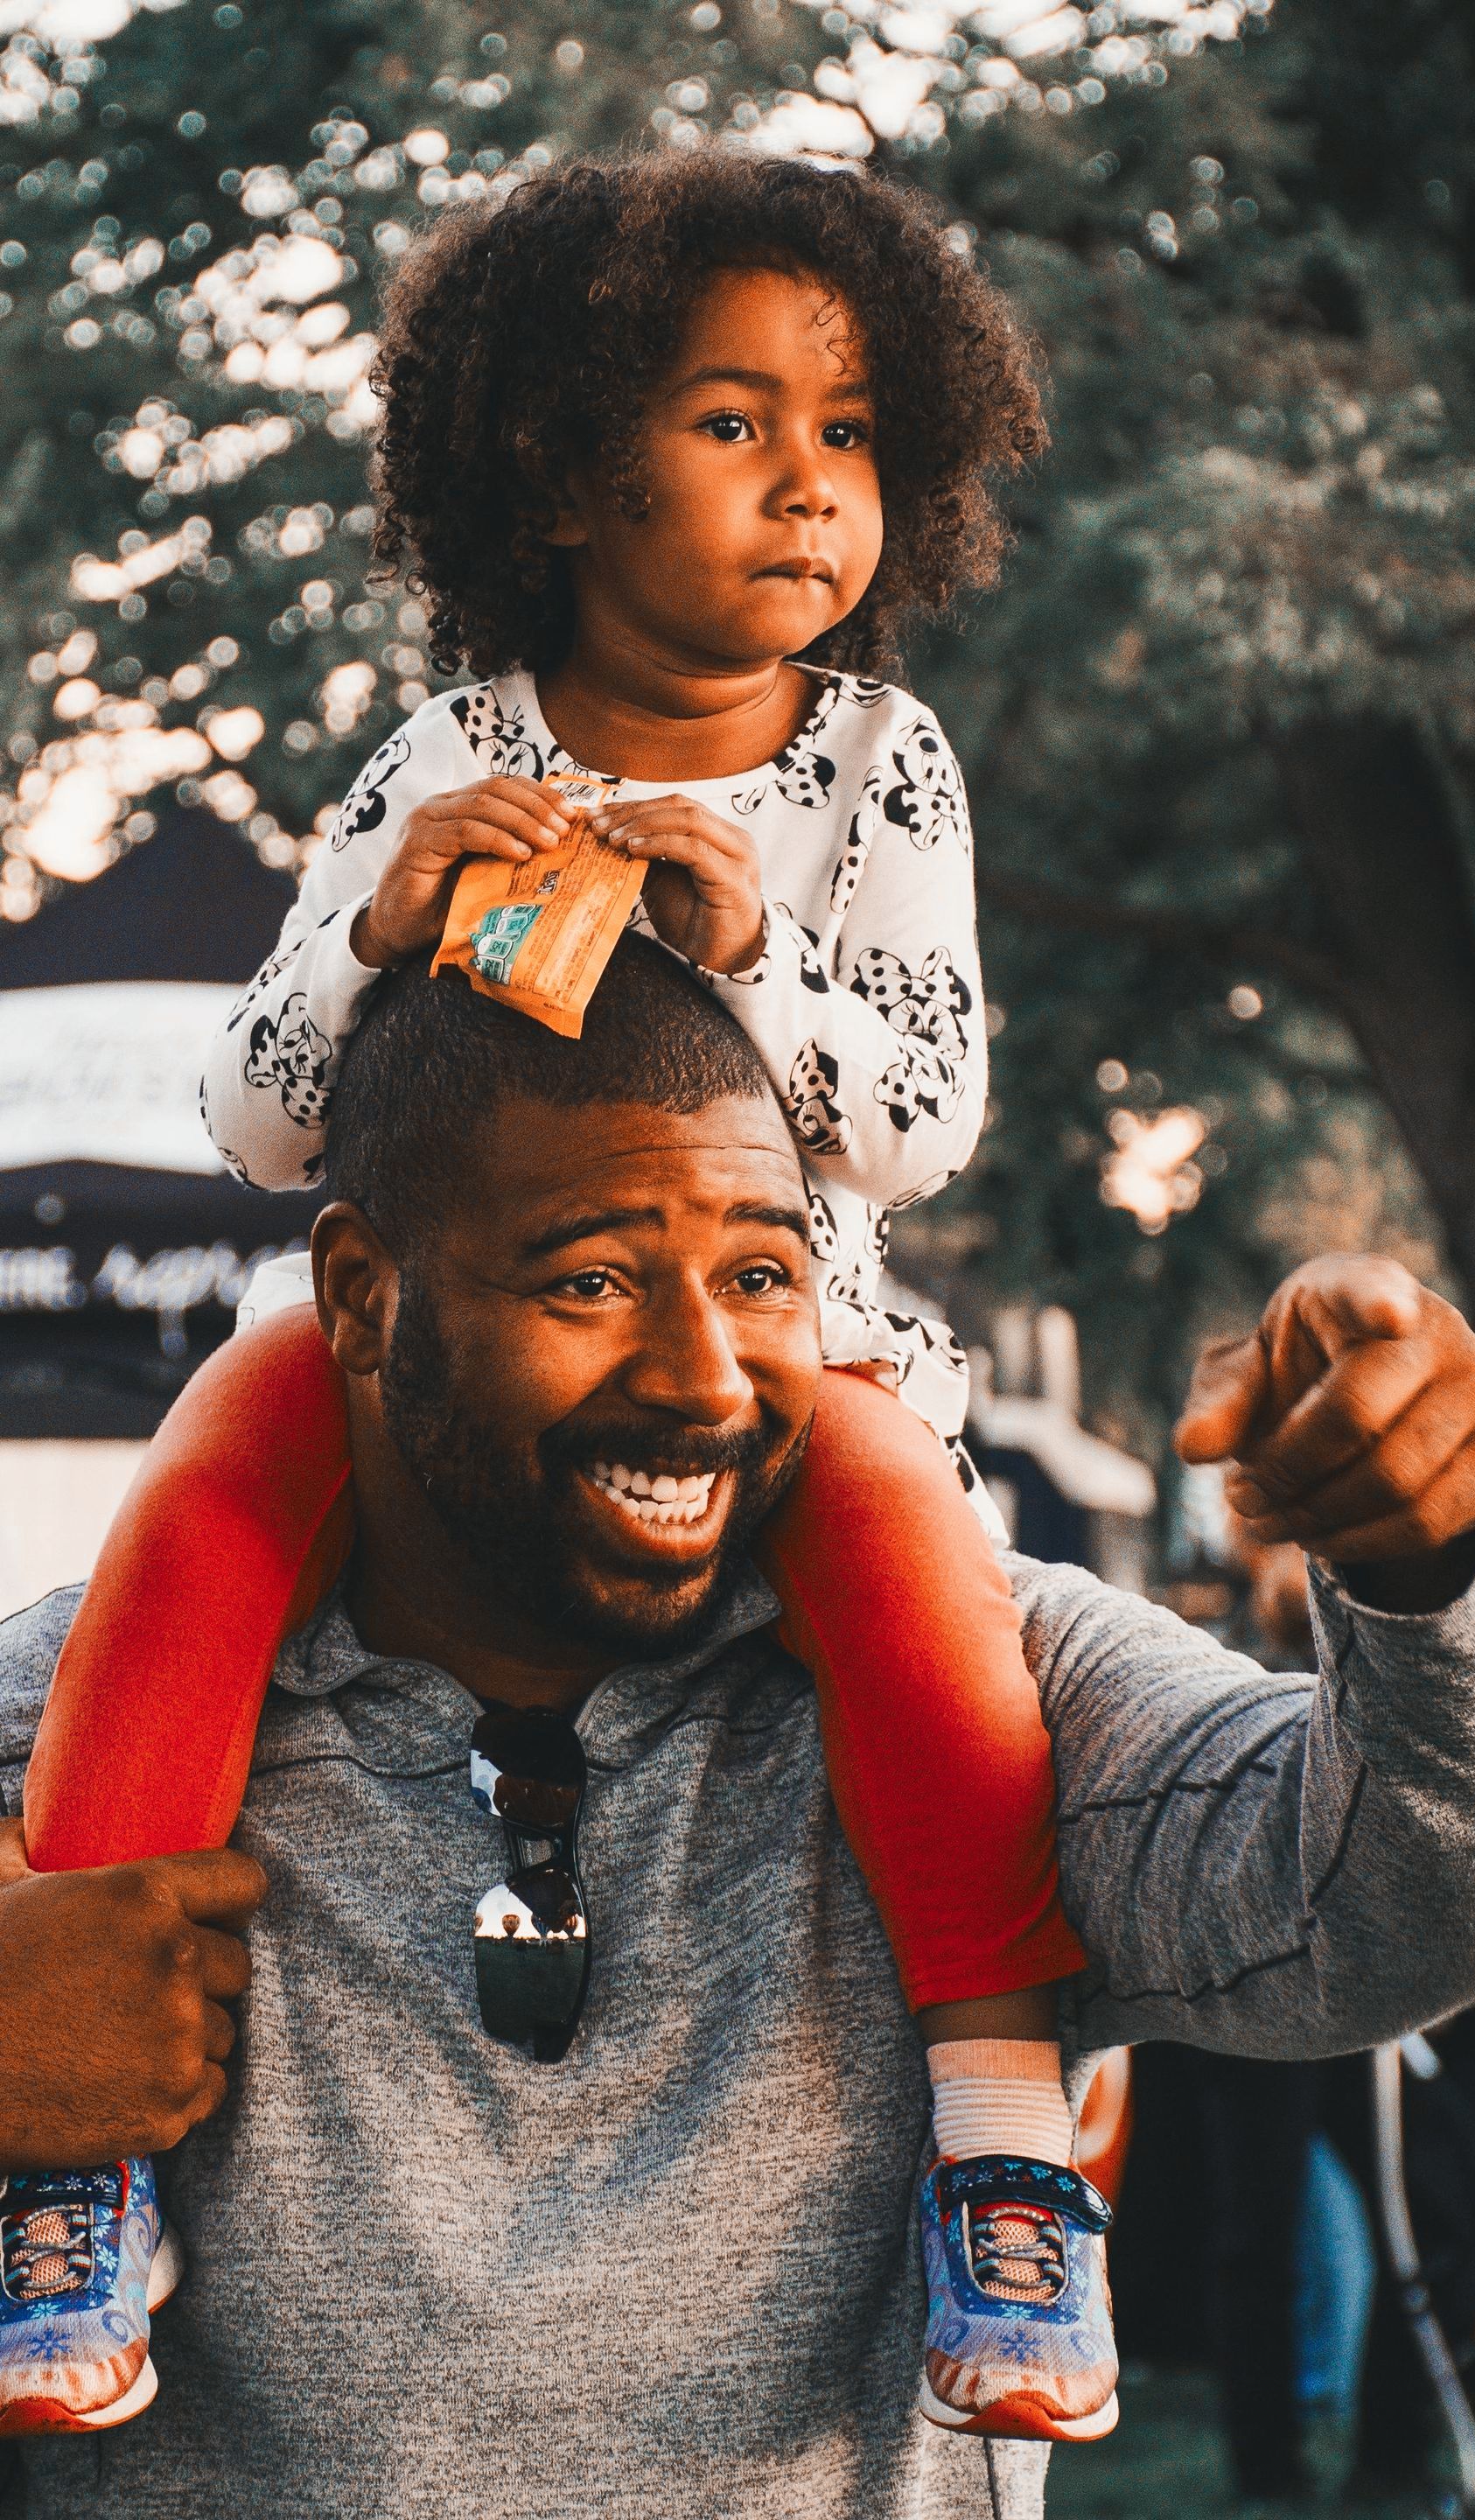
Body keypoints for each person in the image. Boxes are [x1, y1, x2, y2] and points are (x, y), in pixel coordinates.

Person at [0, 944, 1475, 2516]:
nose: (708, 1380)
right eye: (593, 1279)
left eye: (763, 1275)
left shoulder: (993, 1681)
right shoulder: (72, 1722)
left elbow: (1441, 1907)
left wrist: (1429, 1570)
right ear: (360, 1296)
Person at [18, 150, 1108, 2440]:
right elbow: (260, 1119)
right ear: (562, 468)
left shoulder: (880, 770)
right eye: (738, 424)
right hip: (431, 1334)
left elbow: (920, 1117)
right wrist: (380, 916)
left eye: (852, 434)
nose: (815, 487)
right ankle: (76, 2163)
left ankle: (1007, 2157)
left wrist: (756, 948)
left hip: (775, 1332)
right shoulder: (444, 757)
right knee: (197, 1504)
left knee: (924, 1548)